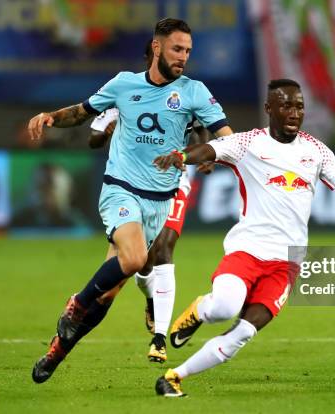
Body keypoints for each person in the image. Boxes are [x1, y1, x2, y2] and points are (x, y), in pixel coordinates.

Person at [151, 79, 335, 397]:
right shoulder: (248, 143)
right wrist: (182, 157)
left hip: (287, 263)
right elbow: (210, 149)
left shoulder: (315, 150)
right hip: (247, 249)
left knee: (243, 333)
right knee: (224, 307)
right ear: (269, 109)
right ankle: (200, 310)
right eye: (286, 105)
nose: (294, 112)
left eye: (300, 106)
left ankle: (173, 377)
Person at [27, 18, 234, 384]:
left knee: (107, 294)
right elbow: (81, 112)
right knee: (137, 260)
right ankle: (75, 306)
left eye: (187, 51)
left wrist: (214, 154)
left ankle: (56, 352)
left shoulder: (195, 91)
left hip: (159, 202)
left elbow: (224, 135)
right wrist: (49, 118)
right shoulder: (123, 84)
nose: (183, 57)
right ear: (157, 48)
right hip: (120, 189)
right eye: (176, 49)